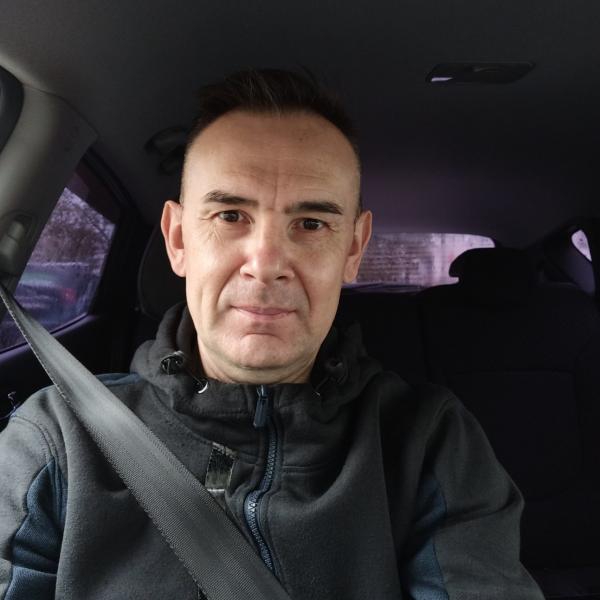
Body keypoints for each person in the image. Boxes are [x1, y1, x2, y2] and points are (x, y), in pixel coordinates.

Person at [0, 69, 544, 599]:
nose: (265, 264)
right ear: (178, 239)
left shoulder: (429, 442)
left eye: (311, 224)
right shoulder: (58, 439)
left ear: (353, 249)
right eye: (230, 215)